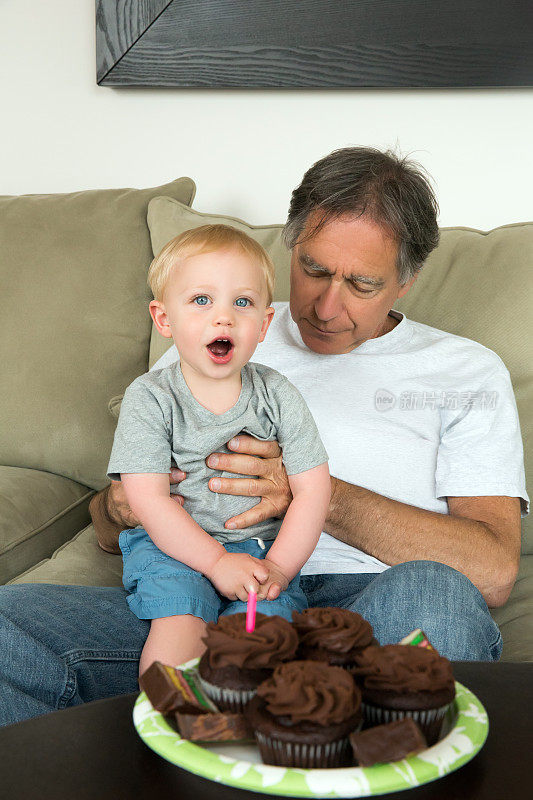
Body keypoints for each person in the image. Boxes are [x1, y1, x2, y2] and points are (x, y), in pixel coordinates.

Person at [0, 146, 527, 728]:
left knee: (439, 599)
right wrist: (122, 505)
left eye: (362, 284)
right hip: (200, 598)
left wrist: (308, 494)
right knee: (8, 625)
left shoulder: (465, 370)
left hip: (372, 613)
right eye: (315, 270)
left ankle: (296, 735)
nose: (328, 307)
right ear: (290, 248)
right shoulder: (221, 324)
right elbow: (107, 524)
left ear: (406, 280)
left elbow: (492, 572)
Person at [108, 224, 330, 673]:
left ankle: (240, 729)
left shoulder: (277, 393)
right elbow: (148, 499)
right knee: (180, 621)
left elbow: (312, 490)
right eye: (201, 300)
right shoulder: (150, 397)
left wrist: (281, 569)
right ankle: (172, 722)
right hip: (173, 548)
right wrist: (215, 561)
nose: (223, 318)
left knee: (266, 637)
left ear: (264, 324)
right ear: (164, 319)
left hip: (259, 549)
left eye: (242, 302)